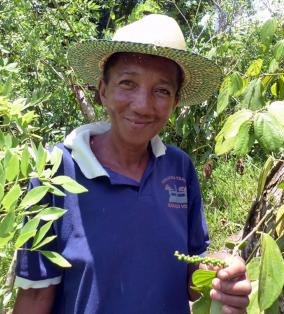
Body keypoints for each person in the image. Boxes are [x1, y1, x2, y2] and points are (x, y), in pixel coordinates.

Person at [13, 14, 251, 314]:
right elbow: (35, 297)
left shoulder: (179, 169)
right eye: (128, 83)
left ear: (175, 102)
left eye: (162, 91)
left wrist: (221, 277)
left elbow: (189, 273)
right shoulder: (55, 171)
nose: (142, 105)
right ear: (103, 91)